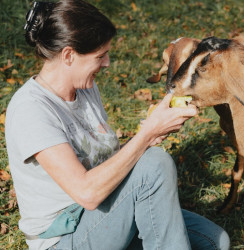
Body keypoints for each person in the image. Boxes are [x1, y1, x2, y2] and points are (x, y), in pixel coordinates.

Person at [5, 1, 230, 249]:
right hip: (65, 236)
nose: (107, 63)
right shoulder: (32, 109)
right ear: (68, 55)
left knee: (215, 242)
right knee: (154, 164)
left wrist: (149, 136)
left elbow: (102, 163)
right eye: (100, 56)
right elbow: (86, 193)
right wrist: (145, 135)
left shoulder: (86, 90)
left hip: (108, 210)